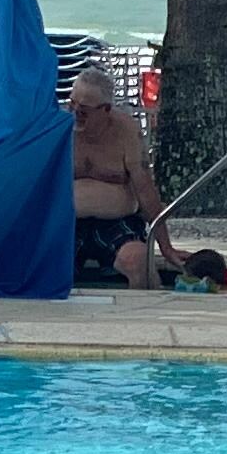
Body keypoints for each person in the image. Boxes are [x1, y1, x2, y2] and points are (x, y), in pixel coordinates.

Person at [69, 61, 184, 288]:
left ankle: (142, 320)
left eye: (84, 111)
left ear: (106, 109)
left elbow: (145, 189)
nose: (75, 114)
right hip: (70, 221)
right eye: (72, 105)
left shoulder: (125, 132)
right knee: (43, 260)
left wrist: (166, 246)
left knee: (140, 260)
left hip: (117, 222)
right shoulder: (60, 128)